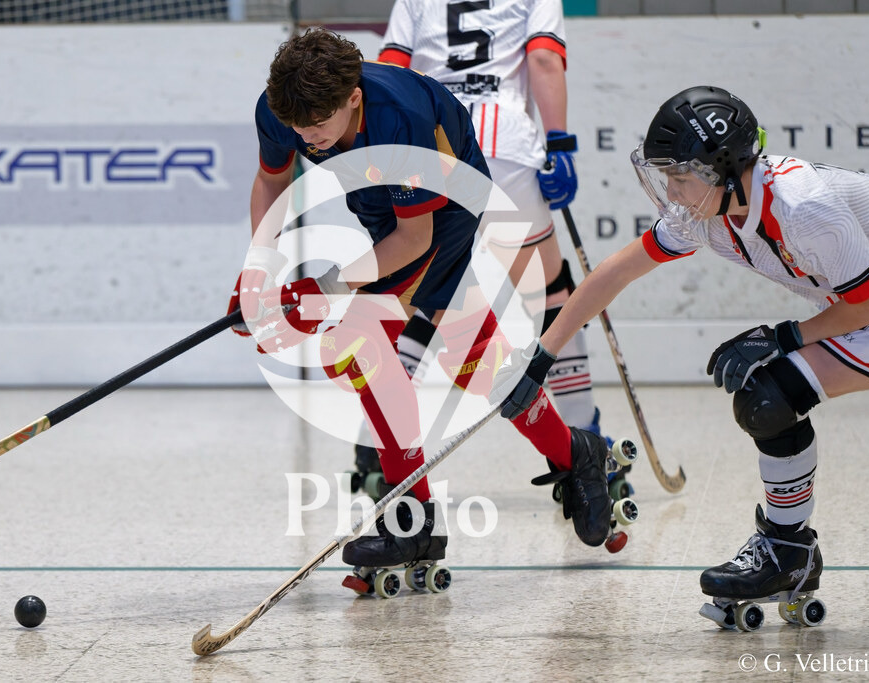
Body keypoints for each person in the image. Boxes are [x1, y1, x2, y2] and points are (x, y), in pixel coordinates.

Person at [497, 84, 869, 626]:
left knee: (771, 392)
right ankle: (788, 553)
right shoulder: (709, 212)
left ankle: (787, 551)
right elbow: (618, 270)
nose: (671, 191)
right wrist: (541, 357)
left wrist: (782, 336)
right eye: (666, 176)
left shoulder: (803, 207)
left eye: (681, 178)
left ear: (726, 169)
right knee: (768, 400)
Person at [227, 29, 617, 584]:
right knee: (473, 354)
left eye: (317, 127)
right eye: (296, 127)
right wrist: (258, 274)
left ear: (353, 98)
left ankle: (410, 520)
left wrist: (332, 287)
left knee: (362, 341)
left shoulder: (399, 116)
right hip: (382, 203)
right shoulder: (285, 107)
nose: (306, 139)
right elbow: (271, 182)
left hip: (448, 199)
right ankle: (576, 453)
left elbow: (413, 240)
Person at [345, 0, 624, 503]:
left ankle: (372, 452)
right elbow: (542, 59)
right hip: (503, 143)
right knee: (551, 295)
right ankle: (587, 441)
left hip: (429, 144)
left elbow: (388, 72)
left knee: (426, 295)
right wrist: (559, 144)